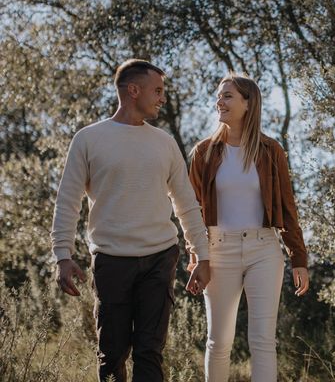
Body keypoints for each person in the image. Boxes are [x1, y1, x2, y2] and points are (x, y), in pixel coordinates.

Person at [51, 59, 211, 382]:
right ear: (133, 90)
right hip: (111, 260)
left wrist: (203, 255)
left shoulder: (165, 143)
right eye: (158, 91)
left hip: (159, 258)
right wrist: (62, 256)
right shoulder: (88, 139)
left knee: (149, 351)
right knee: (111, 354)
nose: (162, 98)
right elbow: (68, 200)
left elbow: (187, 204)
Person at [188, 73, 309, 382]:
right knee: (219, 341)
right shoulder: (203, 153)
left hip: (264, 250)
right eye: (219, 95)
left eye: (227, 95)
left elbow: (286, 206)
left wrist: (299, 258)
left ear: (248, 102)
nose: (220, 101)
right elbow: (193, 212)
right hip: (219, 251)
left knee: (263, 341)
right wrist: (196, 255)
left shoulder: (271, 151)